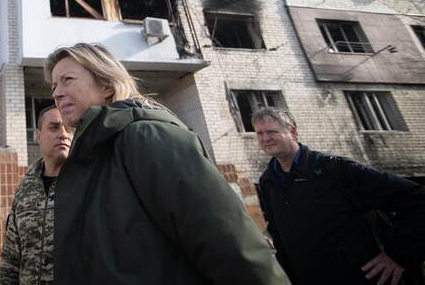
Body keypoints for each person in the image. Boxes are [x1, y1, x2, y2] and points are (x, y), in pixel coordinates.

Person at [45, 42, 289, 285]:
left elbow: (231, 247)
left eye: (67, 80)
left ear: (107, 85)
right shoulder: (89, 159)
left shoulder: (146, 138)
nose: (56, 93)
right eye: (54, 85)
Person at [253, 106, 425, 285]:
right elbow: (280, 238)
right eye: (260, 133)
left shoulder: (336, 170)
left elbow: (418, 198)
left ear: (293, 131)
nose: (266, 139)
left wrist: (399, 255)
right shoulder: (268, 181)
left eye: (272, 131)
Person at [0, 105, 73, 285]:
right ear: (39, 136)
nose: (63, 134)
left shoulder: (88, 183)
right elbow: (11, 255)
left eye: (69, 129)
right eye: (54, 127)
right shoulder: (25, 188)